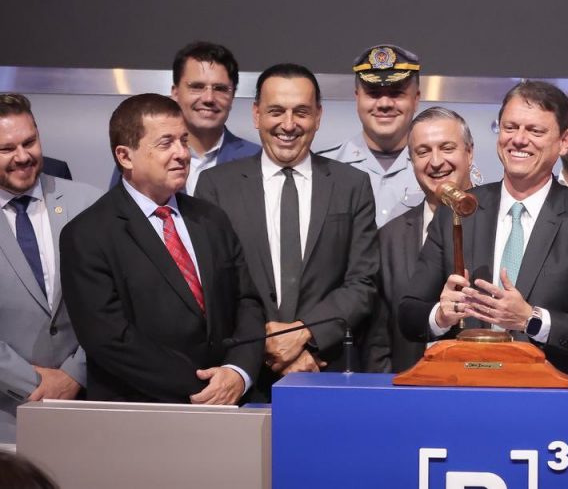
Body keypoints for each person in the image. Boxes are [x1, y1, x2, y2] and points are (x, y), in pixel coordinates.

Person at [398, 80, 568, 377]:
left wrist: (531, 319)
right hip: (466, 386)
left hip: (551, 394)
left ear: (564, 141)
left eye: (535, 131)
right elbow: (409, 314)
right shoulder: (459, 210)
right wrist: (441, 315)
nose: (519, 140)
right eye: (510, 127)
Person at [60, 94, 263, 403]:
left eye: (184, 140)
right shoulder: (87, 234)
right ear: (125, 156)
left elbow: (247, 302)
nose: (182, 153)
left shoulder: (212, 219)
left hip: (228, 403)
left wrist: (237, 372)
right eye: (166, 143)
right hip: (141, 411)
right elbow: (108, 338)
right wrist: (202, 387)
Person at [195, 65, 380, 399]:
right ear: (256, 114)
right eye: (276, 111)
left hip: (323, 369)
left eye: (302, 112)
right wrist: (266, 346)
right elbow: (214, 287)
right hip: (243, 377)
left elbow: (363, 283)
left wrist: (305, 334)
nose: (289, 124)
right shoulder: (216, 186)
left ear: (318, 116)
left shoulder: (352, 185)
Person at [0, 94, 101, 442]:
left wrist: (75, 374)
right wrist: (33, 382)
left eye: (29, 142)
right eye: (6, 149)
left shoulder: (89, 203)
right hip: (6, 419)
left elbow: (120, 302)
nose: (22, 156)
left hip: (87, 409)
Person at [374, 107, 476, 373]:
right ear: (412, 161)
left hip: (485, 381)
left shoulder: (500, 220)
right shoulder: (389, 237)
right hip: (409, 386)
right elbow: (378, 338)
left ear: (469, 153)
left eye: (447, 148)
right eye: (423, 152)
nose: (436, 161)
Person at [107, 41, 261, 193]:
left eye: (220, 89)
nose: (208, 98)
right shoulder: (139, 159)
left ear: (232, 96)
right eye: (197, 87)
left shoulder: (257, 159)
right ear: (175, 93)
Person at [319, 45, 423, 227]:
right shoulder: (324, 168)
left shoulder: (441, 169)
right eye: (373, 94)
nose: (384, 104)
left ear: (415, 99)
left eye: (396, 93)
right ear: (357, 98)